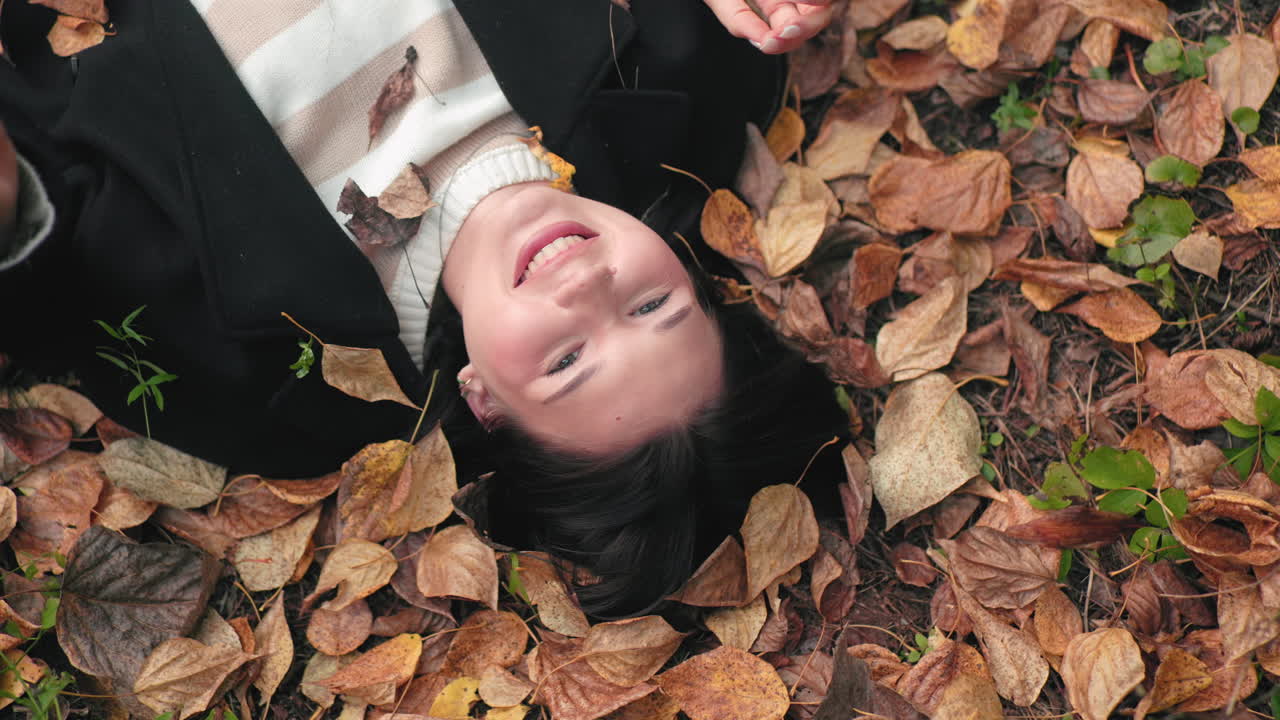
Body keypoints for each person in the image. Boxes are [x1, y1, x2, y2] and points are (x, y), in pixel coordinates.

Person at [0, 0, 847, 615]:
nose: (590, 288)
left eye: (565, 362)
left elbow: (55, 273)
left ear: (484, 400)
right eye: (655, 304)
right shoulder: (679, 73)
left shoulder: (263, 364)